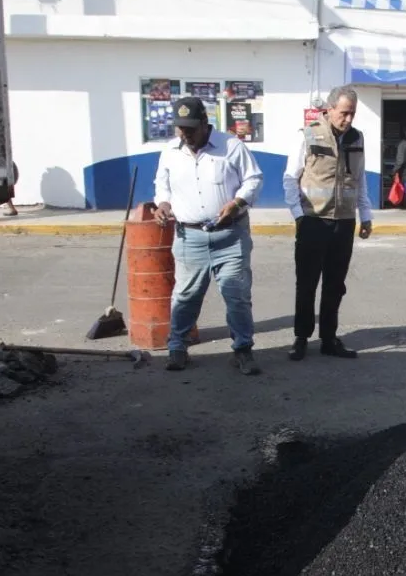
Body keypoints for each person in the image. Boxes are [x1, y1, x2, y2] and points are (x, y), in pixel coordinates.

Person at [153, 96, 264, 374]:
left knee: (237, 296)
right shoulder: (170, 151)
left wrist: (237, 202)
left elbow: (254, 179)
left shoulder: (231, 146)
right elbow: (162, 185)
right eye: (180, 128)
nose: (185, 134)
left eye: (191, 128)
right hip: (189, 237)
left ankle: (242, 350)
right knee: (185, 296)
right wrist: (163, 204)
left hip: (230, 236)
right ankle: (177, 348)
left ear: (205, 123)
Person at [283, 85, 374, 361]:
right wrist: (298, 215)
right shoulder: (308, 135)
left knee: (335, 285)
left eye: (352, 113)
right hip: (313, 221)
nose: (348, 119)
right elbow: (290, 178)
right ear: (330, 109)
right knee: (307, 283)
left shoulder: (357, 138)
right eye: (344, 113)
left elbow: (359, 179)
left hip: (343, 222)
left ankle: (328, 339)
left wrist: (365, 215)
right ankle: (301, 338)